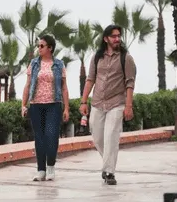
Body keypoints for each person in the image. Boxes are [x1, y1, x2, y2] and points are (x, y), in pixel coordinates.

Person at [79, 24, 136, 186]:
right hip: (97, 102)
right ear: (106, 39)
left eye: (119, 36)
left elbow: (130, 83)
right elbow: (90, 79)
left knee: (111, 135)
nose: (117, 39)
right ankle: (108, 163)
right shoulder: (97, 57)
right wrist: (84, 101)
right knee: (97, 136)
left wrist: (128, 106)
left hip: (117, 103)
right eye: (114, 36)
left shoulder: (126, 58)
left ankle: (109, 172)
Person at [21, 35, 70, 181]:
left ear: (50, 48)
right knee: (39, 138)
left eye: (42, 46)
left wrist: (66, 108)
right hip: (36, 105)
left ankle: (50, 167)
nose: (39, 49)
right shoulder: (34, 64)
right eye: (38, 46)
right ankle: (40, 170)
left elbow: (64, 87)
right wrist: (23, 105)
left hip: (53, 105)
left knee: (51, 135)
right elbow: (28, 85)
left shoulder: (59, 65)